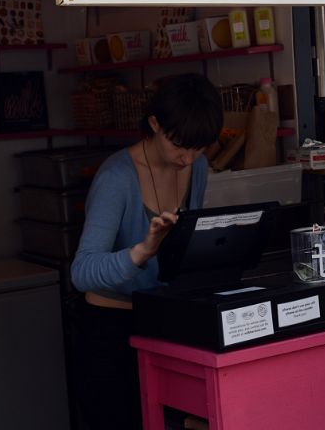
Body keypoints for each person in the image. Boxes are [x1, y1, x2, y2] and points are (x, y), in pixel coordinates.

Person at [70, 73, 223, 430]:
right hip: (110, 332)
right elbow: (82, 271)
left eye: (197, 149)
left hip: (165, 323)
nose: (186, 159)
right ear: (154, 124)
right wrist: (142, 251)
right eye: (179, 146)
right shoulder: (116, 177)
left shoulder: (196, 167)